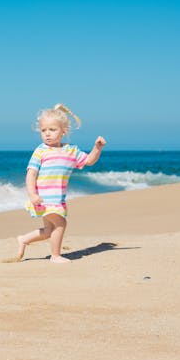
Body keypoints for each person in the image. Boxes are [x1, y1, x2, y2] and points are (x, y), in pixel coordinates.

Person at [16, 103, 106, 263]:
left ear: (63, 131)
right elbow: (31, 174)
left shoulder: (71, 151)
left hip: (58, 199)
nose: (47, 134)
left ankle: (23, 239)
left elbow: (89, 161)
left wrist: (97, 148)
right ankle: (55, 255)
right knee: (61, 223)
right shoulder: (41, 151)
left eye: (52, 130)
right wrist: (32, 194)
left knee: (48, 231)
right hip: (43, 199)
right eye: (43, 130)